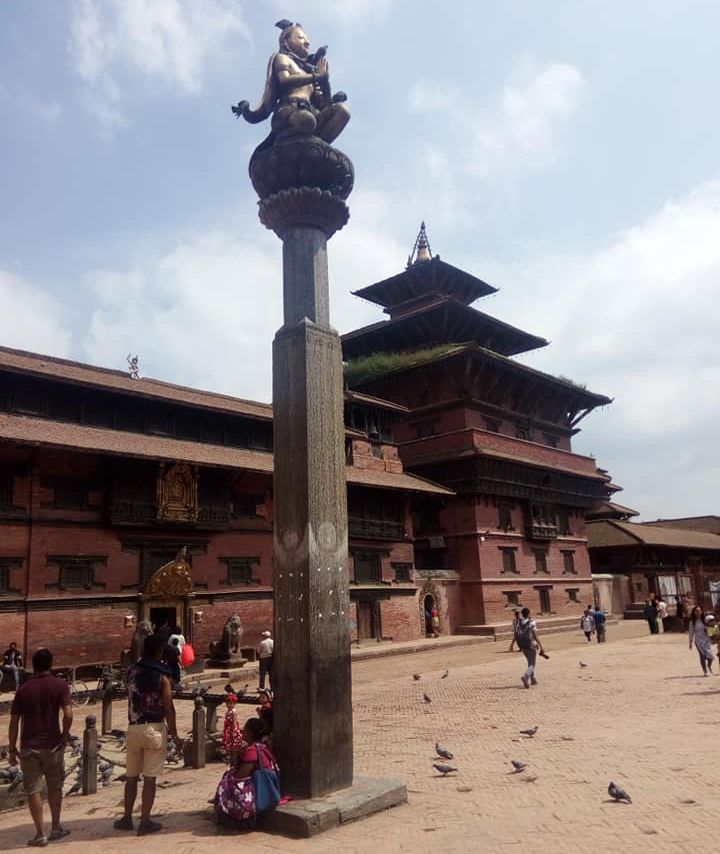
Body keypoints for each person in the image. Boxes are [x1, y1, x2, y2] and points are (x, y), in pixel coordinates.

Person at [233, 20, 350, 146]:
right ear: (286, 40)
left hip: (311, 113)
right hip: (289, 112)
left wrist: (325, 81)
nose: (307, 42)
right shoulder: (283, 58)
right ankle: (287, 142)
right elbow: (284, 80)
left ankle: (318, 145)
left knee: (342, 111)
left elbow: (324, 103)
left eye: (307, 39)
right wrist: (316, 76)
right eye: (301, 38)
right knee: (307, 121)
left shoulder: (309, 70)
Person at [113, 633, 183, 836]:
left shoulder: (132, 671)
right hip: (154, 728)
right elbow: (169, 708)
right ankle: (145, 821)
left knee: (132, 776)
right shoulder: (162, 676)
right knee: (150, 778)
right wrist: (175, 735)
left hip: (134, 726)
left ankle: (127, 818)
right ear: (159, 650)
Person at [7, 647, 73, 847]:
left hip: (29, 746)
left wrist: (11, 748)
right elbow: (68, 715)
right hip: (53, 744)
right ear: (51, 664)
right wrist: (63, 735)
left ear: (33, 665)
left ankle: (39, 834)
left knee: (33, 790)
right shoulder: (60, 685)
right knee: (55, 787)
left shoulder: (24, 689)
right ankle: (56, 827)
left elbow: (14, 722)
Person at [214, 717, 279, 831]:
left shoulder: (252, 751)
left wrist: (236, 758)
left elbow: (240, 776)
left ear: (250, 733)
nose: (242, 732)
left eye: (245, 730)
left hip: (259, 788)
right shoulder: (263, 746)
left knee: (227, 782)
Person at [514, 607, 546, 688]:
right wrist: (541, 645)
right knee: (532, 664)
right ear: (528, 614)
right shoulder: (531, 622)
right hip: (531, 644)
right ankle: (525, 676)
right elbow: (534, 635)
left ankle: (533, 679)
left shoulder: (519, 622)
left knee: (529, 662)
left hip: (523, 645)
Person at [687, 606, 715, 676]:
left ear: (702, 611)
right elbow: (691, 632)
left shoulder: (705, 620)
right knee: (702, 656)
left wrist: (713, 636)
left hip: (706, 640)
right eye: (696, 611)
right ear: (694, 612)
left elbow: (712, 626)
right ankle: (705, 671)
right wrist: (690, 642)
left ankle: (709, 666)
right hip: (698, 641)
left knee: (710, 656)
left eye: (699, 610)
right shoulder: (692, 622)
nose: (698, 612)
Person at [222, 694, 244, 765]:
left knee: (234, 745)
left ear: (234, 704)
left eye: (231, 703)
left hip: (232, 730)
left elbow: (234, 722)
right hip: (228, 729)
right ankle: (230, 757)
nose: (229, 705)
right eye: (227, 703)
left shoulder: (234, 712)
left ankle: (235, 759)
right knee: (229, 745)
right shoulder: (227, 712)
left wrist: (233, 730)